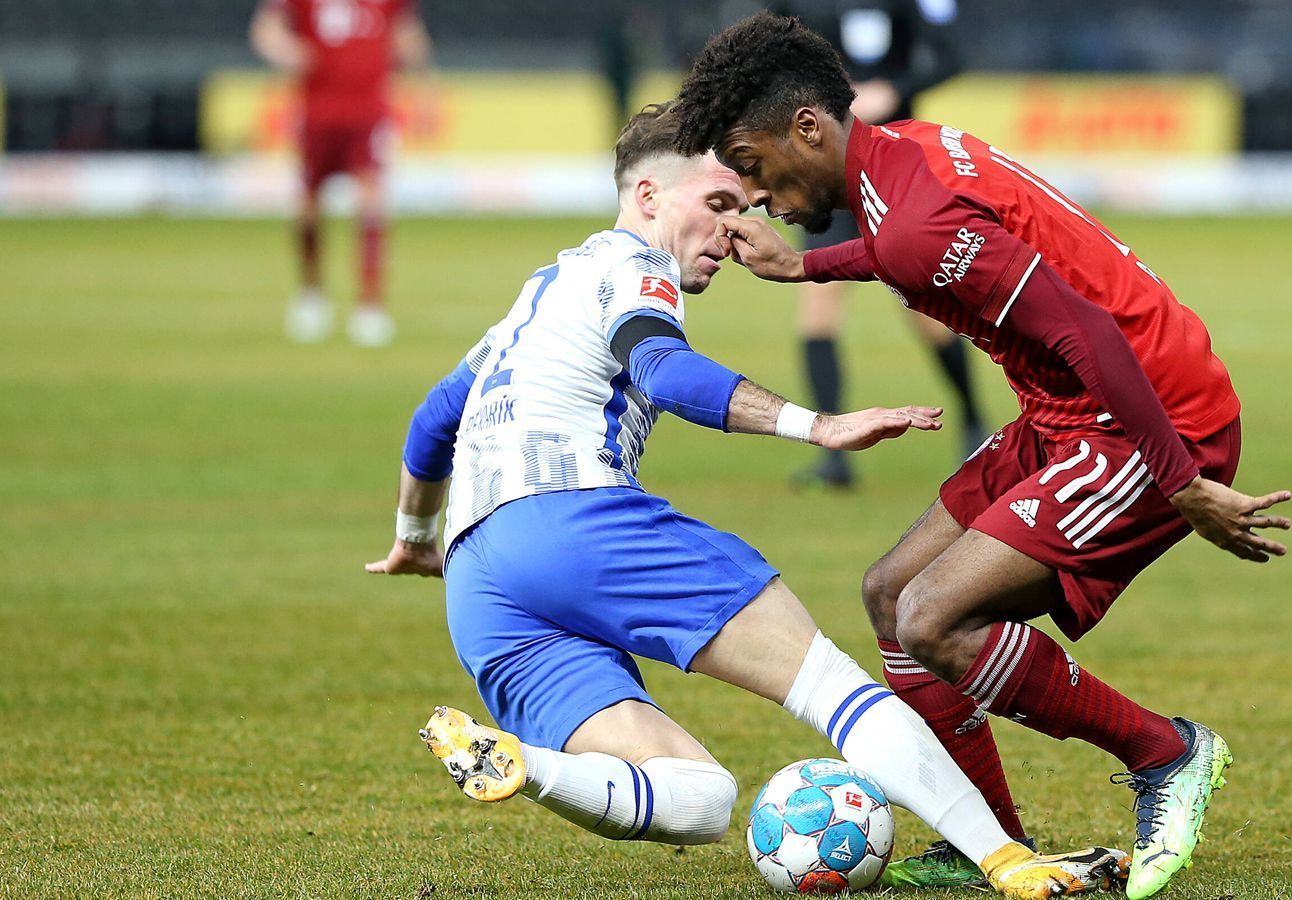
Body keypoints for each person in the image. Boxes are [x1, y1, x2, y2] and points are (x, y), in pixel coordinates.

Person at [365, 103, 1131, 899]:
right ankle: (1006, 860)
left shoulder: (538, 297)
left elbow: (432, 422)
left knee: (698, 800)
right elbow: (662, 370)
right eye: (719, 205)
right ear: (649, 196)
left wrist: (415, 536)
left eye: (743, 208)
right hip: (577, 524)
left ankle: (526, 768)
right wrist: (818, 425)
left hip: (479, 585)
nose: (733, 231)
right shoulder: (637, 269)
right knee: (835, 689)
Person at [672, 14, 1292, 899]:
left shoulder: (913, 214)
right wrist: (803, 272)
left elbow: (1082, 330)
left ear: (807, 127)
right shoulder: (906, 155)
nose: (761, 197)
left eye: (756, 165)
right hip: (1068, 409)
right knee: (889, 593)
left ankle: (1168, 753)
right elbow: (909, 251)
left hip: (1148, 414)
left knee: (932, 618)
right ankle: (993, 842)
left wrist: (1179, 478)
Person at [773, 0, 984, 488]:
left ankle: (974, 423)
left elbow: (950, 58)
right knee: (817, 308)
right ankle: (834, 453)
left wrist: (895, 89)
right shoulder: (794, 7)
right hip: (827, 175)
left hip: (892, 169)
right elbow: (776, 62)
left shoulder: (905, 6)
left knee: (926, 309)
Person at [249, 0, 435, 347]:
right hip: (317, 112)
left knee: (371, 201)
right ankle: (311, 293)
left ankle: (369, 305)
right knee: (307, 207)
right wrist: (286, 49)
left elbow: (407, 34)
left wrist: (425, 91)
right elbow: (266, 30)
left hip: (368, 111)